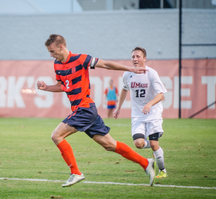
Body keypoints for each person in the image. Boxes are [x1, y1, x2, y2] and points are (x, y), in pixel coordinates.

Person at [37, 34, 155, 187]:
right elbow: (62, 86)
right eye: (49, 53)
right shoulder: (57, 64)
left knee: (56, 136)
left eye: (52, 51)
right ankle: (146, 163)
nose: (51, 55)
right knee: (110, 145)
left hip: (84, 109)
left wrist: (129, 68)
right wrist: (46, 87)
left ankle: (75, 172)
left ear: (61, 47)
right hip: (84, 111)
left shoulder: (81, 59)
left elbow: (105, 64)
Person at [114, 47, 167, 178]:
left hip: (153, 113)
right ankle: (155, 146)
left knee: (154, 144)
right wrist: (118, 107)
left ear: (144, 58)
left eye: (138, 56)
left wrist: (149, 104)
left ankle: (162, 171)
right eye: (133, 56)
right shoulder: (127, 74)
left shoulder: (151, 73)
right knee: (139, 144)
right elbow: (124, 90)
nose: (135, 59)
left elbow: (161, 95)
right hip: (138, 116)